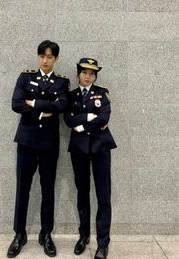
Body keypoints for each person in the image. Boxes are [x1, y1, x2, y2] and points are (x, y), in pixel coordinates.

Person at [7, 40, 70, 258]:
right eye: (42, 56)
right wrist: (42, 111)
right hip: (26, 142)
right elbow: (16, 103)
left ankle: (46, 234)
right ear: (38, 57)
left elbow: (61, 106)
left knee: (47, 189)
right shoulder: (26, 77)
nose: (45, 60)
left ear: (56, 59)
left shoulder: (62, 82)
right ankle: (19, 234)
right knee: (22, 188)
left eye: (50, 57)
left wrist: (32, 103)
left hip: (48, 145)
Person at [64, 58, 117, 259]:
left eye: (92, 73)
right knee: (82, 193)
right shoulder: (71, 96)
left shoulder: (102, 93)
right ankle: (84, 235)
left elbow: (104, 118)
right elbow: (68, 119)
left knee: (103, 196)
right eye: (85, 72)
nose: (88, 76)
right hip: (79, 149)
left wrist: (81, 126)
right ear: (78, 73)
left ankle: (103, 243)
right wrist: (89, 118)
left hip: (101, 147)